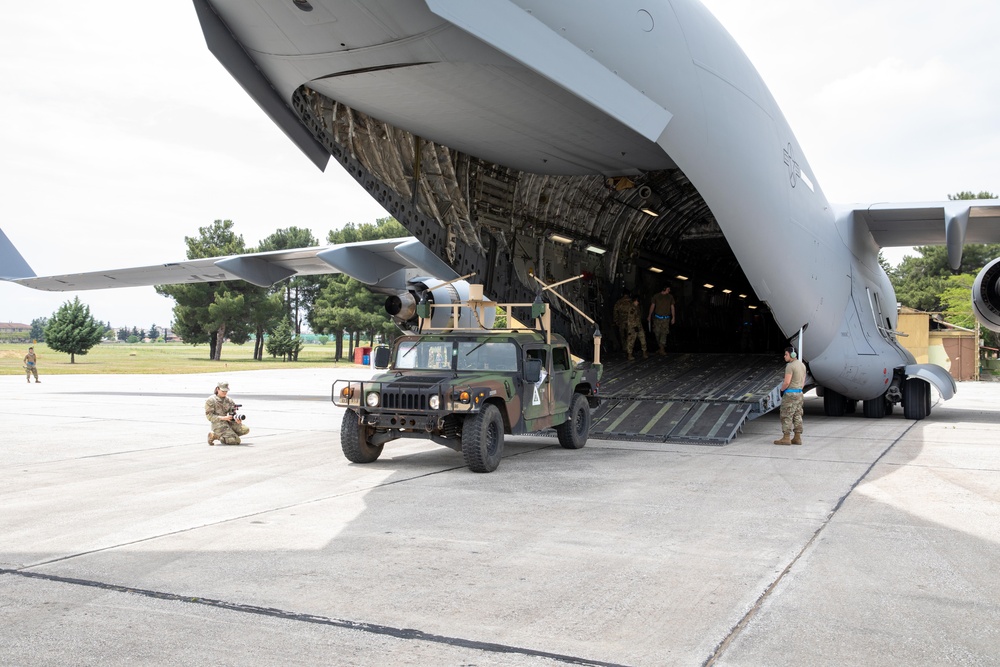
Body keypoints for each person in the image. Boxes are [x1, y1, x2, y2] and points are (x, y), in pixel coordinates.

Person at [774, 346, 807, 445]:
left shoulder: (790, 366)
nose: (784, 356)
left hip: (790, 393)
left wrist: (782, 390)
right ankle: (797, 437)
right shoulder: (802, 365)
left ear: (792, 355)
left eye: (786, 354)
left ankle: (786, 437)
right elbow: (803, 382)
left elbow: (787, 382)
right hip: (799, 393)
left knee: (786, 415)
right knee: (797, 415)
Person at [206, 381, 250, 446]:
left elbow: (232, 412)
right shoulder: (211, 400)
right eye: (223, 391)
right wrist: (223, 418)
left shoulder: (229, 400)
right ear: (217, 389)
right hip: (218, 424)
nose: (225, 393)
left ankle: (228, 435)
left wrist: (237, 419)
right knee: (236, 441)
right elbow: (209, 416)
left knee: (245, 429)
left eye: (226, 391)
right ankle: (216, 435)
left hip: (229, 422)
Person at [647, 285, 676, 354]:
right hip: (657, 318)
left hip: (666, 318)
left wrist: (673, 317)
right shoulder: (656, 296)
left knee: (664, 333)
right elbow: (652, 306)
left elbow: (672, 307)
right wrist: (649, 315)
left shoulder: (670, 297)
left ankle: (662, 348)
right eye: (668, 288)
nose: (669, 290)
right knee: (657, 333)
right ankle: (660, 347)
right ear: (664, 288)